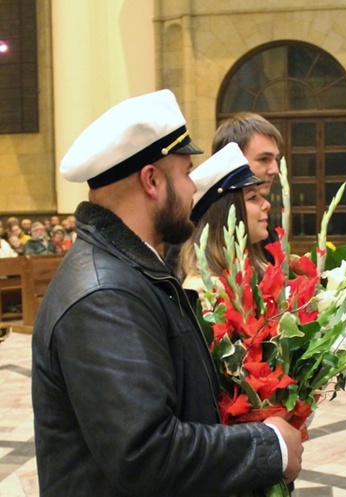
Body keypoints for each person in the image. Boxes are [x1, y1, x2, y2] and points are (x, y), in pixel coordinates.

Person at [31, 89, 302, 496]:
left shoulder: (130, 270)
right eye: (186, 172)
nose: (194, 187)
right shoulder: (104, 296)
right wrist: (271, 446)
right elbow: (145, 454)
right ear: (152, 181)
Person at [180, 142, 270, 289]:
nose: (266, 204)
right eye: (253, 197)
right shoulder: (205, 288)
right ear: (226, 213)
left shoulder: (260, 267)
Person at [212, 113, 283, 260]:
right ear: (232, 161)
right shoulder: (197, 234)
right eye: (264, 159)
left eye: (276, 159)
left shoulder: (262, 229)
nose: (275, 169)